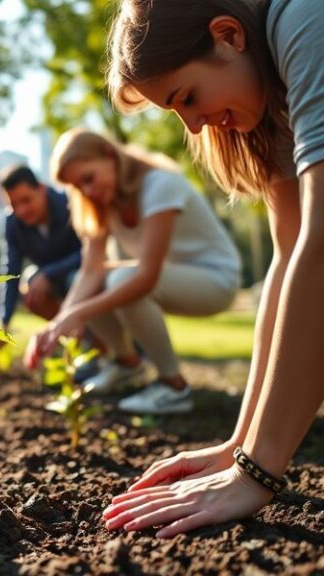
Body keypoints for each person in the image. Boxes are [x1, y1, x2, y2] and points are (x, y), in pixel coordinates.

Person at [101, 0, 324, 537]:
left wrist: (256, 472)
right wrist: (240, 445)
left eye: (188, 99)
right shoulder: (272, 91)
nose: (196, 126)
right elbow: (290, 255)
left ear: (228, 36)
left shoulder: (305, 21)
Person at [25, 128, 241, 416]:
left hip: (215, 280)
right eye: (78, 187)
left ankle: (173, 387)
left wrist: (80, 313)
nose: (87, 192)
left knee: (122, 278)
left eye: (88, 178)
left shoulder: (159, 184)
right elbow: (90, 271)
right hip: (169, 278)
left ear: (109, 154)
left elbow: (146, 277)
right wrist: (60, 321)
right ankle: (126, 365)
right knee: (83, 279)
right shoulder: (103, 204)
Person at [0, 164, 83, 335]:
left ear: (42, 189)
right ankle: (75, 337)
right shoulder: (12, 222)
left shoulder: (69, 205)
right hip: (51, 282)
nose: (21, 210)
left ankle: (100, 343)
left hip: (81, 275)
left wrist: (49, 273)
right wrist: (4, 321)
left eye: (26, 200)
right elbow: (10, 271)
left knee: (75, 279)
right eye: (13, 204)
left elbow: (89, 253)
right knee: (30, 286)